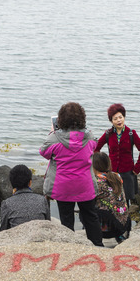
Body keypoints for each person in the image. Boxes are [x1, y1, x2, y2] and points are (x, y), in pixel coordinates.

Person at [39, 102, 103, 247]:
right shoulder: (90, 137)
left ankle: (69, 248)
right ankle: (98, 246)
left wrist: (52, 133)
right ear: (82, 119)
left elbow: (43, 152)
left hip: (63, 187)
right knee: (91, 217)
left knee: (66, 219)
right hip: (85, 186)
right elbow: (95, 147)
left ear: (60, 120)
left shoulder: (54, 138)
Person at [95, 103, 140, 236]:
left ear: (124, 117)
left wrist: (137, 168)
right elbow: (96, 149)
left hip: (128, 173)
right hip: (112, 175)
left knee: (126, 203)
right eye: (115, 118)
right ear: (111, 121)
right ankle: (115, 230)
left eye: (120, 117)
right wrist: (100, 168)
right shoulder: (108, 134)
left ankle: (126, 231)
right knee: (113, 203)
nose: (118, 120)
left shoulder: (131, 133)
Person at [0, 164, 50, 231]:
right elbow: (48, 223)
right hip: (40, 235)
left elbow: (3, 229)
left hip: (17, 238)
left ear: (12, 183)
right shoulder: (42, 200)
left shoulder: (7, 203)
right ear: (30, 182)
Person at [91, 152, 129, 242]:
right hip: (123, 224)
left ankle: (94, 237)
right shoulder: (117, 176)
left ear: (94, 166)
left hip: (107, 228)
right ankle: (119, 237)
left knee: (86, 207)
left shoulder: (96, 181)